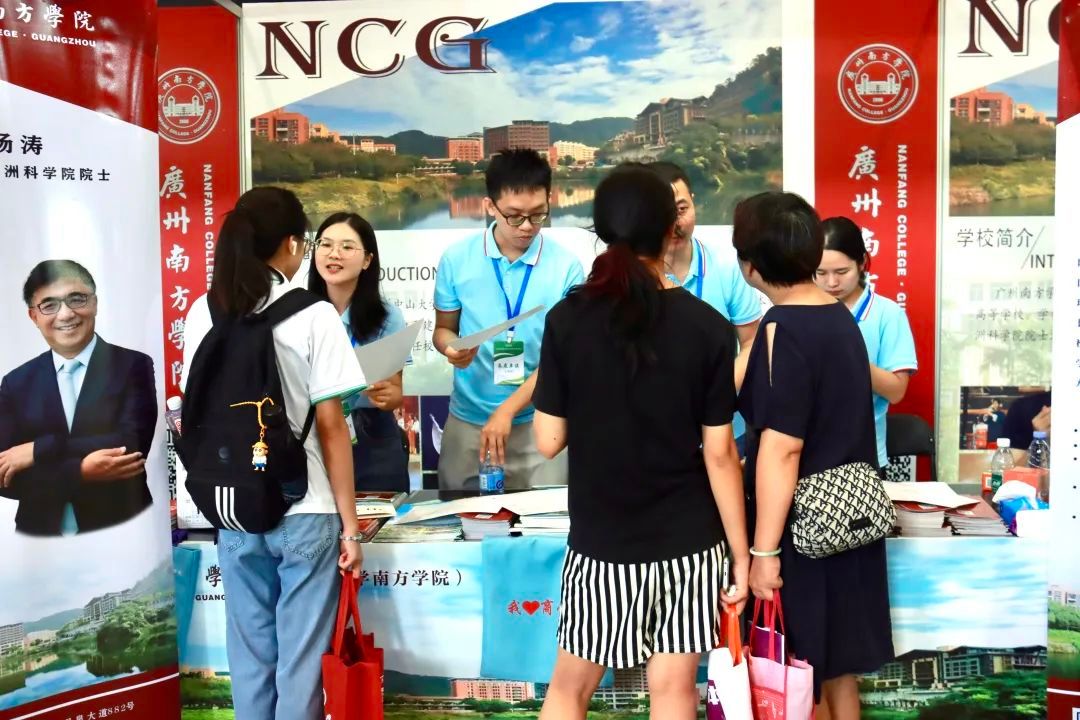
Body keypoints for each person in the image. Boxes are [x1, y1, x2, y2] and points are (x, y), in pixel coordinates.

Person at [532, 164, 749, 720]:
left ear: (601, 231)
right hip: (689, 541)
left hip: (601, 542)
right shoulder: (707, 326)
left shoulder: (568, 319)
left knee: (569, 690)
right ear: (671, 230)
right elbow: (720, 454)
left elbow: (549, 440)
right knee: (674, 692)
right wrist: (743, 556)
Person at [181, 187, 365, 720]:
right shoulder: (314, 315)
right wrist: (351, 528)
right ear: (292, 243)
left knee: (249, 653)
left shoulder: (202, 311)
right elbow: (331, 428)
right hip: (305, 504)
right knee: (300, 663)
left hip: (231, 504)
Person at [735, 192, 892, 719]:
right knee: (837, 669)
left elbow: (782, 449)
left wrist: (763, 553)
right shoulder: (838, 316)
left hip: (803, 528)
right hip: (849, 515)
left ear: (751, 265)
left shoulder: (783, 327)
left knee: (801, 669)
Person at [433, 149, 585, 489]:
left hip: (540, 424)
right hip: (468, 423)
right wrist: (451, 348)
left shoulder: (566, 267)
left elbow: (563, 358)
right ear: (490, 206)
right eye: (514, 216)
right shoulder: (457, 259)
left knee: (545, 518)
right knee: (459, 516)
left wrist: (508, 410)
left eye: (538, 214)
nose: (527, 226)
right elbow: (443, 329)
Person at [0, 260, 156, 536]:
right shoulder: (16, 383)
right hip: (40, 540)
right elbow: (7, 477)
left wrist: (37, 451)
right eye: (49, 305)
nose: (66, 314)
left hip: (123, 531)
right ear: (33, 316)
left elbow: (129, 447)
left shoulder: (133, 366)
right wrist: (81, 471)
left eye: (76, 299)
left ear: (94, 303)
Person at [648, 162, 761, 454]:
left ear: (694, 202)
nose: (675, 223)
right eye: (663, 213)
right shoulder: (634, 278)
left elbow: (752, 342)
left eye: (681, 209)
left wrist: (718, 392)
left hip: (727, 429)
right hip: (657, 432)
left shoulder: (726, 267)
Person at [309, 211, 409, 491]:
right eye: (326, 244)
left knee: (376, 514)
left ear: (367, 260)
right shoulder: (300, 314)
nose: (334, 254)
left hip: (371, 436)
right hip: (312, 435)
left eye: (347, 246)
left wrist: (388, 396)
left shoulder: (388, 317)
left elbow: (395, 392)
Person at [816, 216, 917, 468]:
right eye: (821, 273)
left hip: (864, 459)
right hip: (808, 455)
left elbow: (896, 391)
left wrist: (848, 357)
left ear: (862, 263)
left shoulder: (887, 314)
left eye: (842, 272)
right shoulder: (803, 312)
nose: (832, 282)